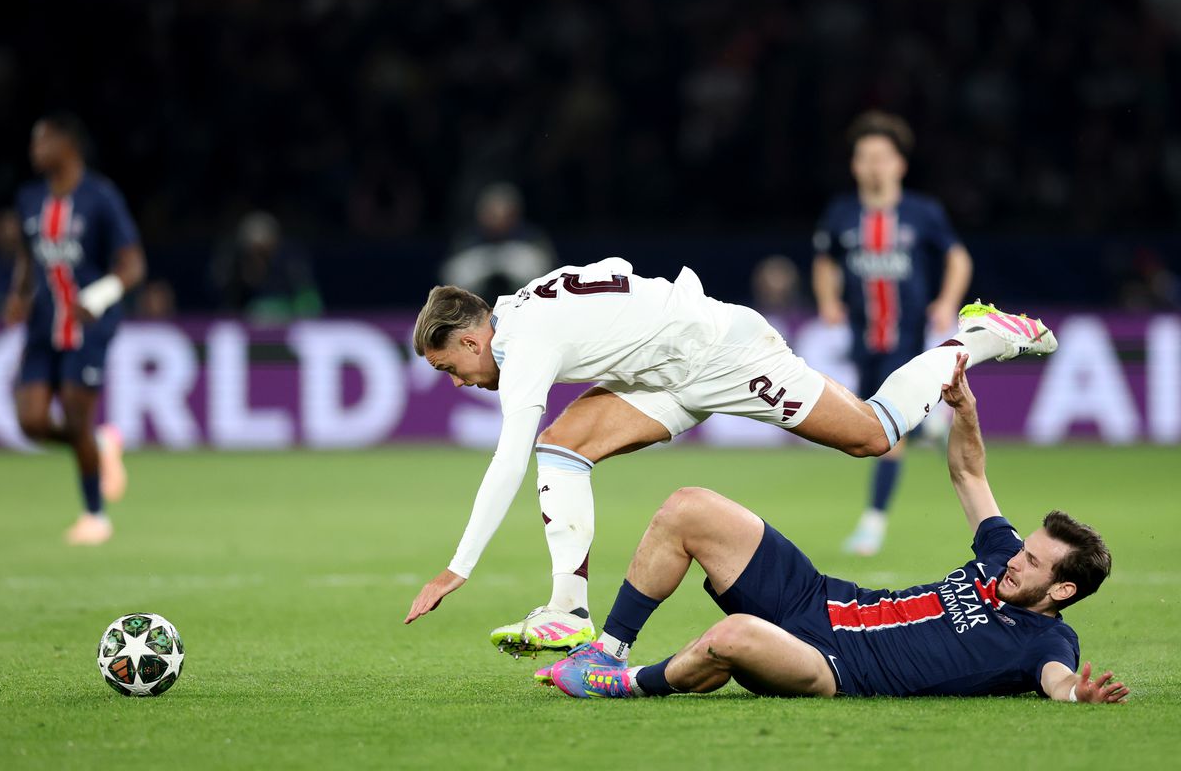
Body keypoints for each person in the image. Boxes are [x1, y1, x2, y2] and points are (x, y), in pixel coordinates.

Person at [403, 257, 1056, 659]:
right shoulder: (519, 312)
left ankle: (981, 336)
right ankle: (567, 613)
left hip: (723, 354)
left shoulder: (525, 342)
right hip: (668, 368)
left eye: (450, 366)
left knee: (874, 435)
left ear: (470, 336)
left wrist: (456, 567)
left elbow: (505, 461)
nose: (457, 381)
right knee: (564, 449)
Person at [543, 353, 1126, 704]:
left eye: (1033, 562)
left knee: (736, 635)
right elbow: (970, 475)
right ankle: (606, 652)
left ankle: (624, 685)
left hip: (833, 667)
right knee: (690, 506)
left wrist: (1078, 693)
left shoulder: (1046, 643)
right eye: (1024, 548)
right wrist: (966, 412)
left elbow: (1056, 680)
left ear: (1063, 591)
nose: (1016, 559)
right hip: (818, 598)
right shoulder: (1003, 559)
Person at [812, 111, 973, 556]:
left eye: (883, 156)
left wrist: (946, 301)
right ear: (854, 165)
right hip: (864, 341)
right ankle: (929, 425)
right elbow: (824, 260)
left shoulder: (923, 213)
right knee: (874, 423)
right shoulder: (842, 214)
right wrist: (828, 299)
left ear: (900, 164)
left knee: (885, 430)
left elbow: (958, 258)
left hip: (907, 338)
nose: (874, 165)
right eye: (865, 157)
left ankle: (873, 521)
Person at [5, 113, 146, 546]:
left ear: (68, 146)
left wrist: (98, 297)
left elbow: (133, 264)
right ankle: (100, 447)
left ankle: (95, 516)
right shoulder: (30, 199)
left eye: (42, 141)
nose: (34, 150)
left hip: (88, 324)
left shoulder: (100, 197)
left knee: (73, 411)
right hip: (43, 322)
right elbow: (29, 257)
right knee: (30, 422)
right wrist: (19, 292)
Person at [440, 182, 557, 306]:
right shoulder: (467, 241)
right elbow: (449, 279)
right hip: (475, 310)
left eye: (505, 215)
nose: (497, 221)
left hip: (525, 308)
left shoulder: (532, 239)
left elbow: (550, 278)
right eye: (491, 214)